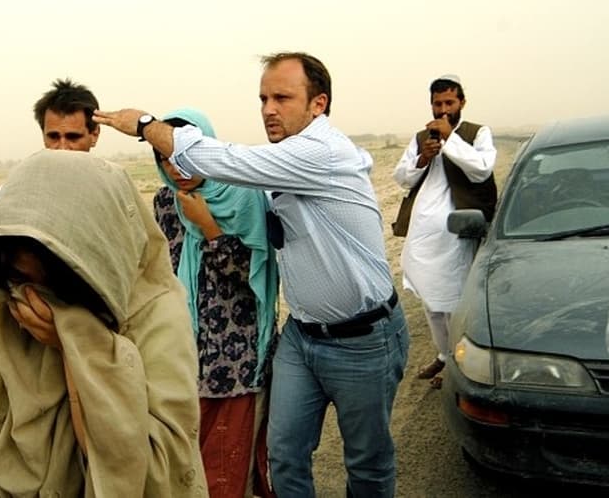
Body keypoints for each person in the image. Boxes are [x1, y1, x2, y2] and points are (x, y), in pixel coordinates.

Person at [94, 52, 409, 498]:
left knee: (366, 461)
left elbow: (229, 165)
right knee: (284, 455)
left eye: (282, 97)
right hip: (301, 337)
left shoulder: (320, 152)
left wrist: (146, 125)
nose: (268, 109)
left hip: (362, 339)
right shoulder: (281, 162)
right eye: (263, 98)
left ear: (318, 104)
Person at [0, 150, 208, 496]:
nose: (34, 299)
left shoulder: (156, 317)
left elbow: (153, 471)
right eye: (21, 279)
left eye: (56, 288)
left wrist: (77, 342)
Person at [0, 78, 101, 495]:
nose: (62, 147)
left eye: (73, 136)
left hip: (77, 363)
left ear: (94, 135)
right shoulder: (12, 197)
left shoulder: (106, 199)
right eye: (53, 136)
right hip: (9, 357)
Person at [150, 108, 279, 497]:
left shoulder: (244, 198)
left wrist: (209, 227)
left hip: (235, 359)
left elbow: (252, 275)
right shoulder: (164, 204)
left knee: (229, 467)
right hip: (182, 358)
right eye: (165, 159)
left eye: (185, 156)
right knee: (186, 468)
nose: (176, 169)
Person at [392, 74, 497, 388]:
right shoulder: (422, 136)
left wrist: (451, 139)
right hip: (424, 231)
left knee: (455, 298)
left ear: (461, 102)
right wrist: (423, 157)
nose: (442, 109)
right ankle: (444, 354)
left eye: (449, 102)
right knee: (430, 299)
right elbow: (402, 178)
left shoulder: (477, 133)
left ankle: (461, 364)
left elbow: (481, 170)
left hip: (458, 229)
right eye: (437, 104)